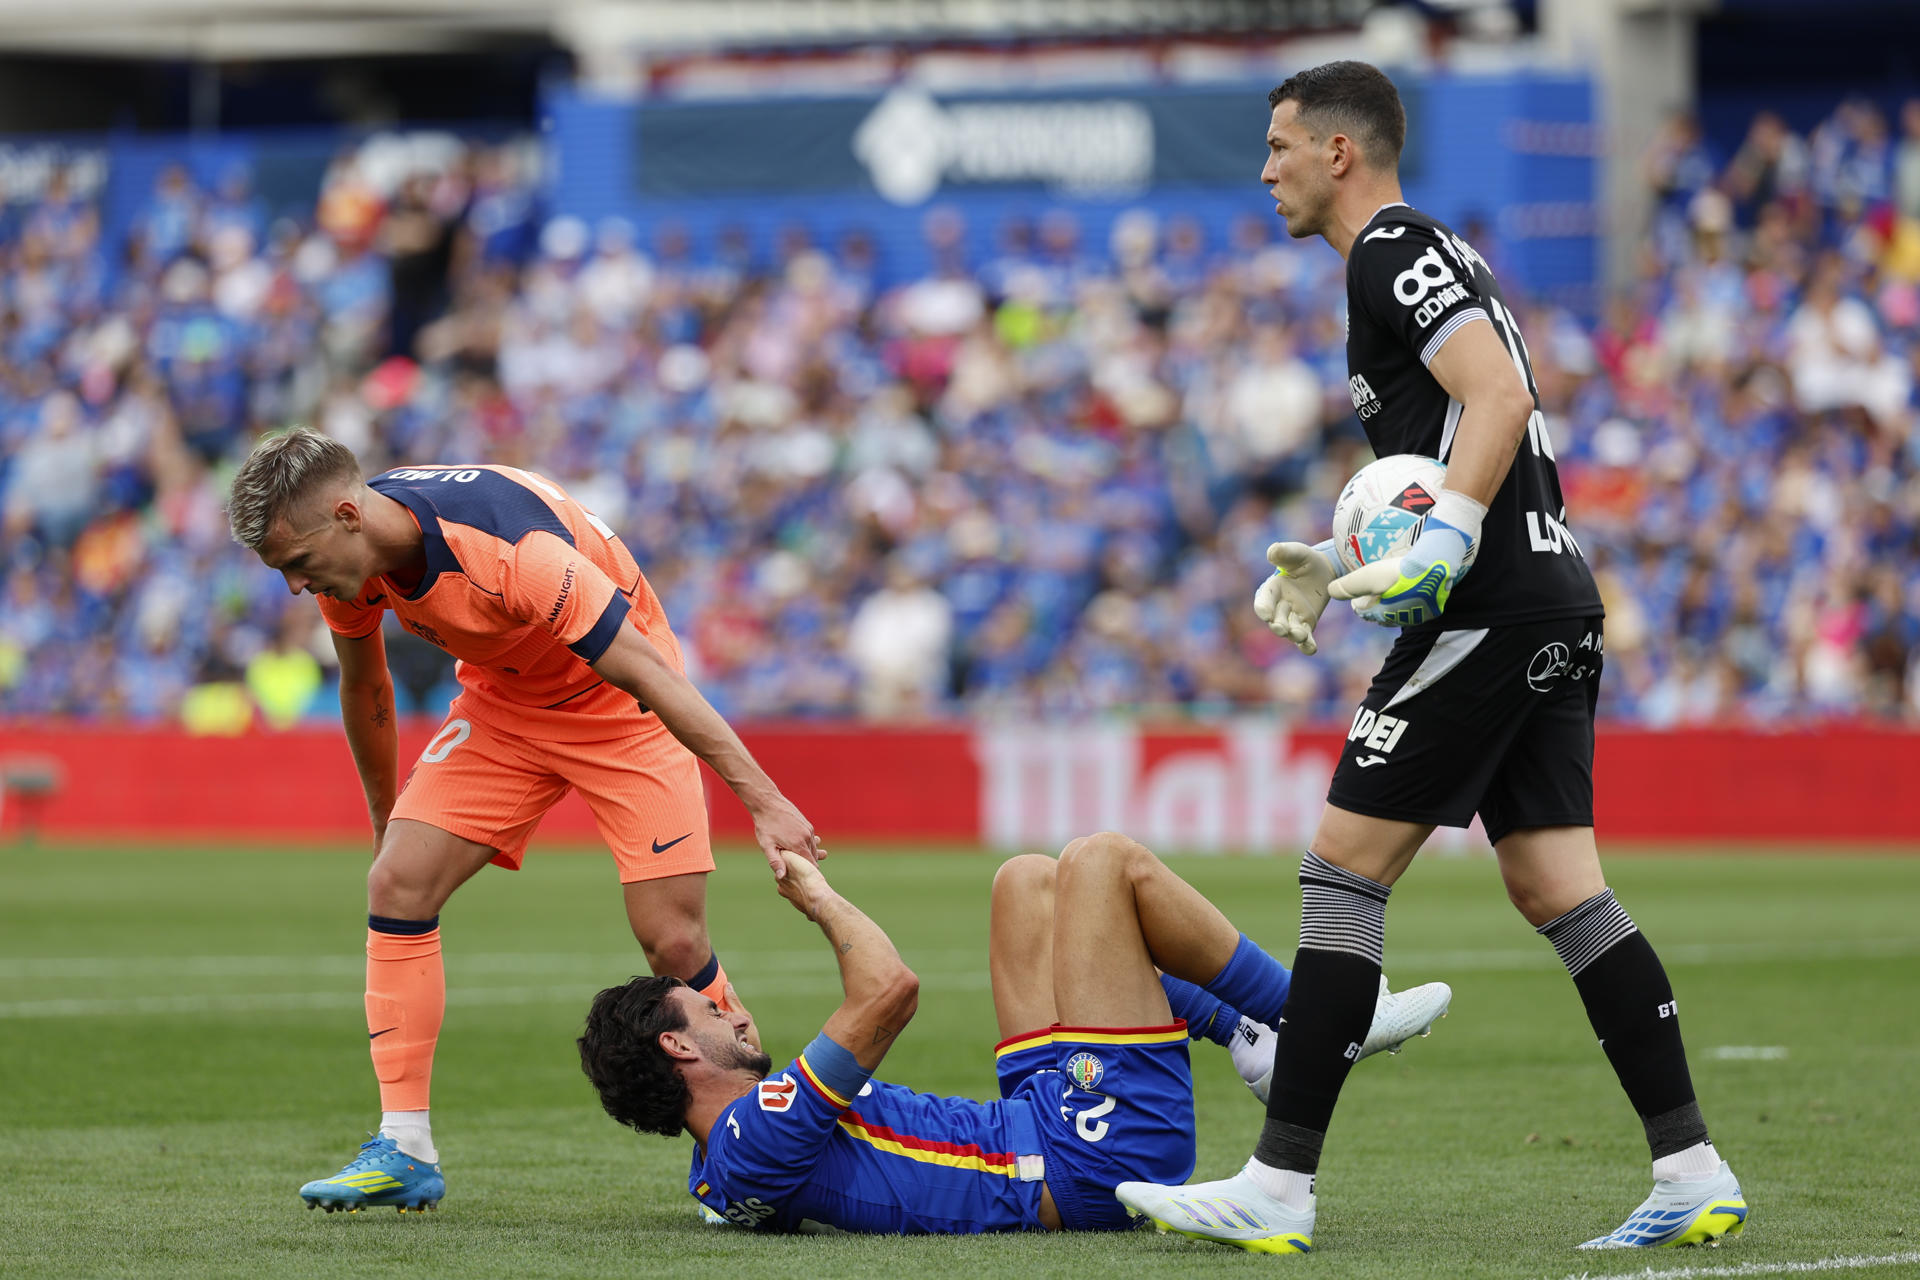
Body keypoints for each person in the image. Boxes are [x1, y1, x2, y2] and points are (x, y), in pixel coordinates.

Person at [1117, 62, 1748, 1253]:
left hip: (1490, 609)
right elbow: (1446, 434)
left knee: (1341, 875)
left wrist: (1447, 536)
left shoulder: (1387, 248)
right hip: (1551, 595)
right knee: (1559, 887)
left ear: (1339, 153)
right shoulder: (1424, 254)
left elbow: (1498, 394)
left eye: (1280, 145)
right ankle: (1692, 1164)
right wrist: (1340, 553)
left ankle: (1280, 1183)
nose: (1266, 170)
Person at [224, 428, 822, 1212]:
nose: (299, 589)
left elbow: (645, 669)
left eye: (298, 567)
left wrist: (766, 800)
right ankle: (403, 1148)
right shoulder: (354, 555)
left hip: (622, 708)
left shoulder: (513, 551)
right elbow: (365, 687)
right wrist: (387, 820)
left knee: (673, 941)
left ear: (345, 514)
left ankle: (760, 1145)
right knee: (397, 882)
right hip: (506, 706)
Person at [578, 832, 1451, 1237]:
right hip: (1091, 1165)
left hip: (1040, 1123)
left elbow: (745, 1197)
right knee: (1104, 863)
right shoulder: (752, 1133)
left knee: (1027, 881)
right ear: (679, 1049)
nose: (730, 1006)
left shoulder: (719, 1167)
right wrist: (815, 896)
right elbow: (888, 991)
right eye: (707, 1008)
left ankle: (1254, 1039)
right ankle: (1307, 1018)